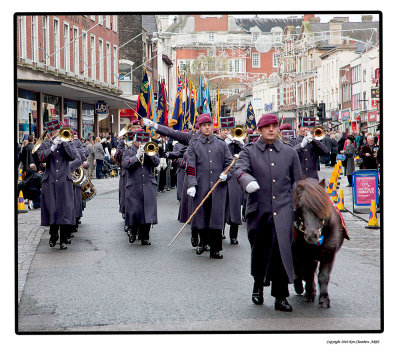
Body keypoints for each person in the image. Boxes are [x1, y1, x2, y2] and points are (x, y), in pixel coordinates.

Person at [235, 114, 302, 311]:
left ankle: (281, 296)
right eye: (267, 127)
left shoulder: (289, 153)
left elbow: (298, 182)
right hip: (258, 209)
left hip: (283, 209)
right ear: (259, 130)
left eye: (274, 126)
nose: (271, 130)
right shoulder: (249, 151)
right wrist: (247, 181)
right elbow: (239, 169)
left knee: (282, 251)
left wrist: (297, 206)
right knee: (261, 250)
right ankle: (258, 285)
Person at [186, 114, 233, 259]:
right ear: (199, 127)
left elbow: (230, 163)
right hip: (201, 185)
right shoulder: (194, 144)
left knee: (216, 217)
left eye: (209, 124)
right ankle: (202, 242)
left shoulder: (221, 143)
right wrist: (192, 184)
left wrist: (227, 174)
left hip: (218, 187)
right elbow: (191, 166)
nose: (207, 127)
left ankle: (215, 249)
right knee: (201, 215)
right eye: (204, 125)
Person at [37, 127, 77, 250]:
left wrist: (64, 143)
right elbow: (41, 157)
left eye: (58, 131)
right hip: (50, 181)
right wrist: (53, 147)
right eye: (54, 132)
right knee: (52, 209)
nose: (56, 134)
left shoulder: (68, 142)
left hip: (64, 181)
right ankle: (53, 235)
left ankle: (63, 239)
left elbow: (74, 156)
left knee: (65, 210)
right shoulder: (45, 144)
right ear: (50, 133)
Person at [121, 130, 160, 245]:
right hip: (134, 185)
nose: (141, 142)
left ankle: (145, 237)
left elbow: (156, 162)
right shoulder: (128, 151)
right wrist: (136, 156)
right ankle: (133, 231)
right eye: (139, 139)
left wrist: (149, 154)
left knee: (147, 211)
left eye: (144, 139)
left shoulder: (150, 148)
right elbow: (125, 164)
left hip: (148, 184)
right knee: (134, 211)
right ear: (134, 140)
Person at [219, 120, 243, 245]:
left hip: (234, 178)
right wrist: (225, 144)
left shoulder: (236, 143)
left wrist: (238, 141)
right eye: (224, 130)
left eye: (229, 130)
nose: (227, 132)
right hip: (222, 176)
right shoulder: (218, 143)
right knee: (221, 207)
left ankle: (233, 235)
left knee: (234, 207)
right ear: (220, 131)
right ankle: (220, 231)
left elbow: (245, 151)